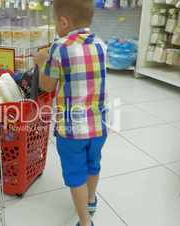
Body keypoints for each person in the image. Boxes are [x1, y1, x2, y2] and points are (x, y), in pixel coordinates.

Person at [34, 0, 108, 226]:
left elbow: (47, 86)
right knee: (93, 164)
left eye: (56, 22)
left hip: (71, 130)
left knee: (76, 176)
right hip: (98, 126)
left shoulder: (60, 48)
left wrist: (40, 63)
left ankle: (85, 222)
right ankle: (92, 199)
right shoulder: (102, 44)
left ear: (64, 22)